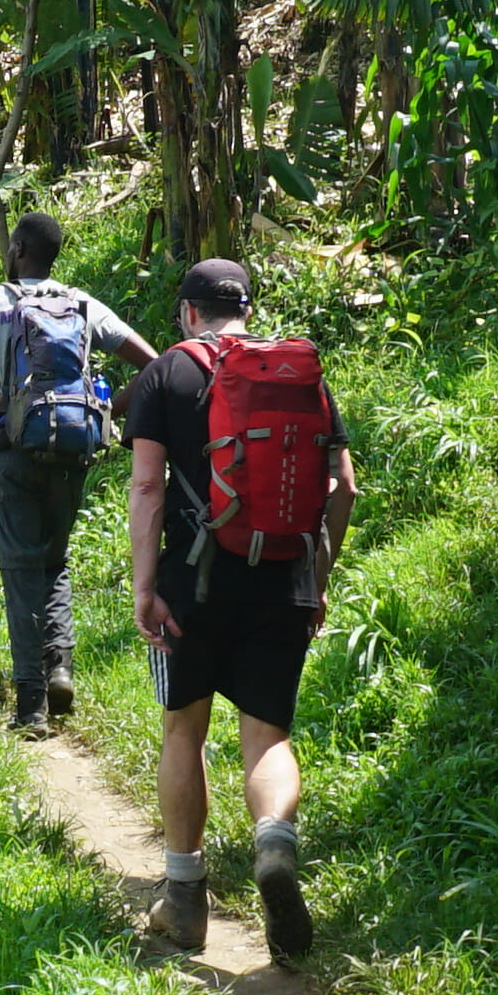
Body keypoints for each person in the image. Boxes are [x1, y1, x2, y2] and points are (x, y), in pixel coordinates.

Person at [120, 254, 351, 959]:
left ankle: (185, 901)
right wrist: (317, 574)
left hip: (194, 584)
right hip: (283, 578)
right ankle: (274, 847)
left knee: (183, 730)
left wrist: (145, 588)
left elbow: (149, 488)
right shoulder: (299, 373)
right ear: (246, 308)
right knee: (268, 737)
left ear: (189, 311)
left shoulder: (166, 373)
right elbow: (342, 489)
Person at [0, 210, 151, 730]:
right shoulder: (83, 303)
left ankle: (31, 703)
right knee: (56, 560)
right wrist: (109, 409)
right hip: (73, 446)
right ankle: (61, 668)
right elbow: (156, 363)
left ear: (19, 249)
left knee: (20, 568)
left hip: (17, 448)